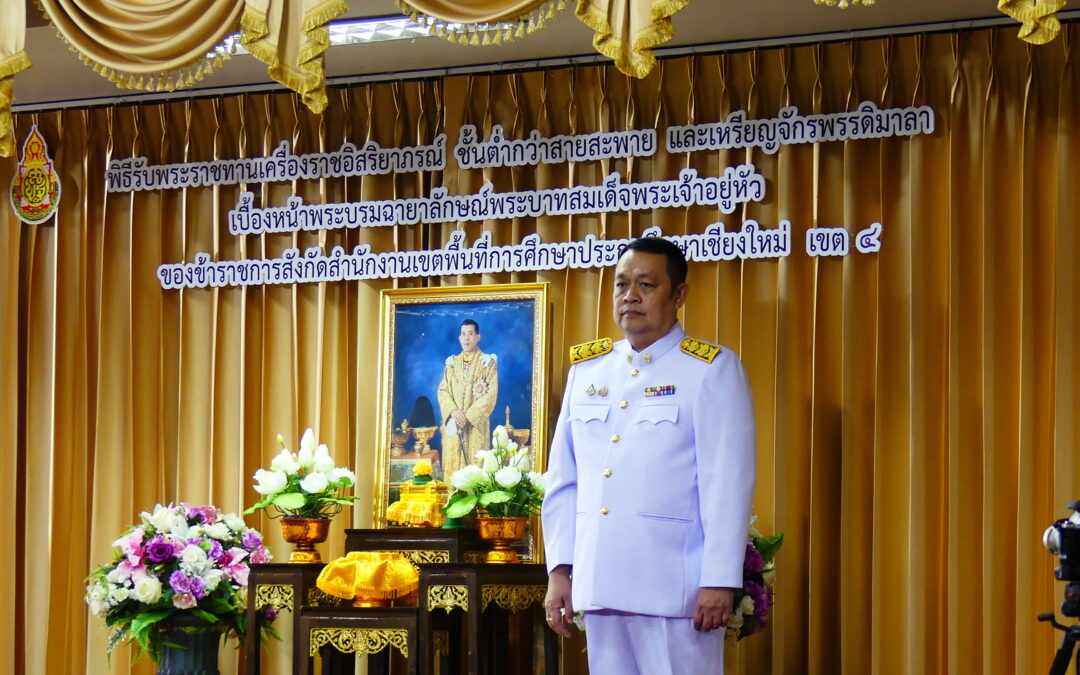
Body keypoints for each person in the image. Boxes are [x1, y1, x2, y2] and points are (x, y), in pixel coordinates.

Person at [542, 236, 757, 674]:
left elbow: (727, 482)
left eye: (646, 285)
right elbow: (564, 480)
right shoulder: (588, 371)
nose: (630, 297)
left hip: (675, 589)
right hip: (599, 583)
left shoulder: (710, 369)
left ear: (679, 295)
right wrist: (560, 569)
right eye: (621, 285)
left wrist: (719, 578)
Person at [436, 318, 498, 479]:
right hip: (453, 423)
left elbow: (491, 394)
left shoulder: (487, 363)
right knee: (453, 472)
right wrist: (454, 412)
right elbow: (443, 390)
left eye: (470, 334)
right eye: (463, 334)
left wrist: (467, 417)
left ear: (478, 337)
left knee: (476, 469)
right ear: (459, 338)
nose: (466, 338)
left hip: (476, 427)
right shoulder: (451, 363)